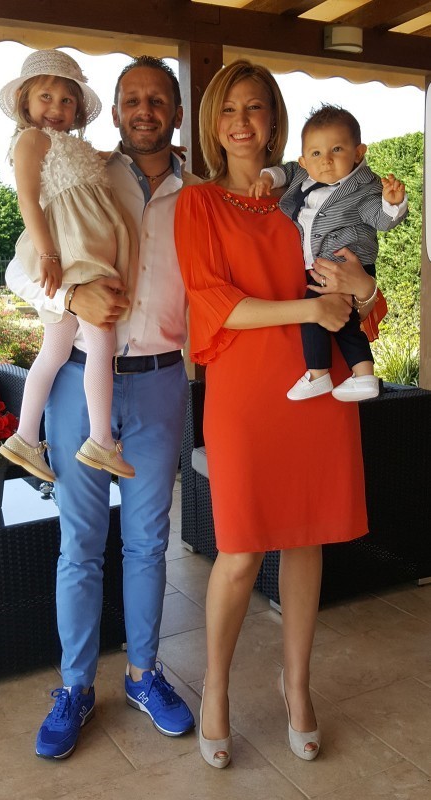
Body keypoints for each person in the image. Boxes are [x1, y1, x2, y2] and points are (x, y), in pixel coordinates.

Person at [174, 60, 374, 767]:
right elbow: (214, 302)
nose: (241, 121)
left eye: (255, 107)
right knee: (238, 550)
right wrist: (307, 310)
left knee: (305, 539)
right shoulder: (198, 203)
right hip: (245, 394)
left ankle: (298, 686)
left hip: (320, 389)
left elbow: (359, 288)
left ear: (274, 120)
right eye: (229, 109)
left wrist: (360, 287)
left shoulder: (312, 192)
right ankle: (217, 688)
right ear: (213, 123)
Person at [6, 54, 200, 760]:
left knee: (150, 542)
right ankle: (76, 686)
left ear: (176, 112)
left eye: (158, 99)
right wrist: (70, 293)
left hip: (160, 380)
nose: (145, 109)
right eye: (132, 99)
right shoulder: (83, 167)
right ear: (114, 111)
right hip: (77, 380)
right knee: (81, 545)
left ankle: (145, 674)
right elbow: (19, 268)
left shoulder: (199, 196)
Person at [0, 49, 136, 481]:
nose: (56, 107)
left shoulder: (73, 145)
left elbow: (107, 158)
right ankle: (100, 440)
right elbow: (28, 200)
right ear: (25, 102)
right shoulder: (30, 140)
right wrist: (48, 254)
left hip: (84, 247)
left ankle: (24, 436)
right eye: (46, 97)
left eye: (66, 100)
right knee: (101, 341)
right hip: (75, 250)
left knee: (55, 349)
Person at [251, 104, 408, 403]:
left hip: (345, 267)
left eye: (337, 149)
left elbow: (381, 220)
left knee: (312, 312)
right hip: (325, 268)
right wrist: (267, 178)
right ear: (304, 160)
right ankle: (364, 376)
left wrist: (392, 203)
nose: (325, 160)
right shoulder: (303, 174)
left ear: (358, 153)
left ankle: (318, 374)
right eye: (315, 153)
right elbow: (285, 171)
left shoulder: (363, 189)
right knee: (346, 323)